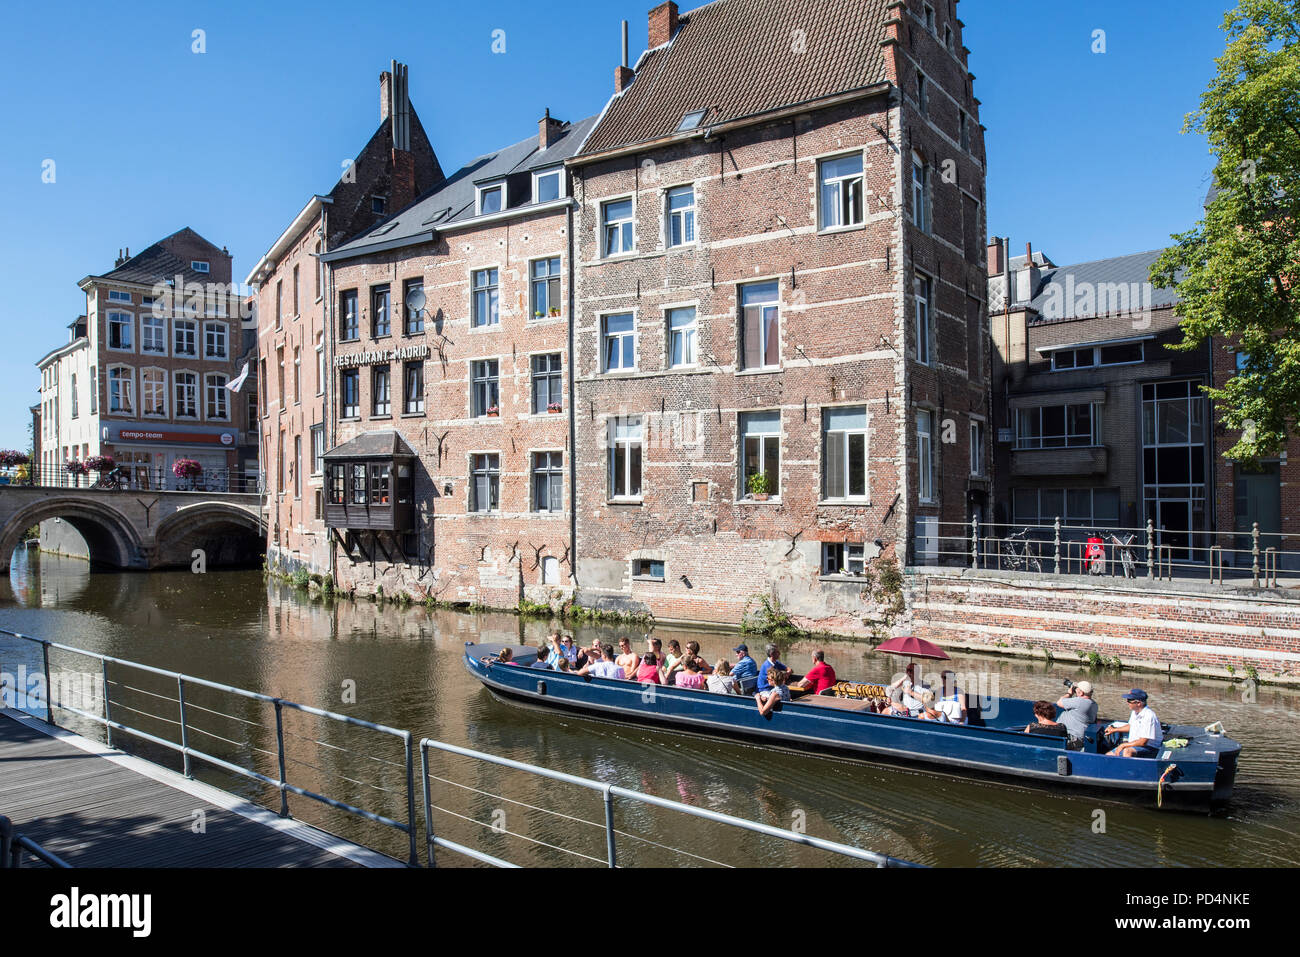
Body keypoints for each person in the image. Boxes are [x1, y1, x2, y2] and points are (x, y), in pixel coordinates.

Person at [1100, 689, 1163, 758]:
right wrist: (1114, 730)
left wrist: (1123, 745)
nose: (1127, 702)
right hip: (1136, 745)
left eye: (1129, 701)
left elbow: (1143, 742)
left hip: (1150, 747)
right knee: (1108, 756)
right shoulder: (1135, 712)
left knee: (1127, 751)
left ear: (1138, 703)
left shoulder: (1149, 716)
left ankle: (1126, 768)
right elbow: (1130, 726)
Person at [1056, 680, 1097, 749]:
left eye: (1076, 688)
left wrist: (1069, 694)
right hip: (1078, 738)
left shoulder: (1079, 701)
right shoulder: (1094, 704)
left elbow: (1059, 702)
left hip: (1070, 737)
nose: (1075, 689)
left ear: (1081, 693)